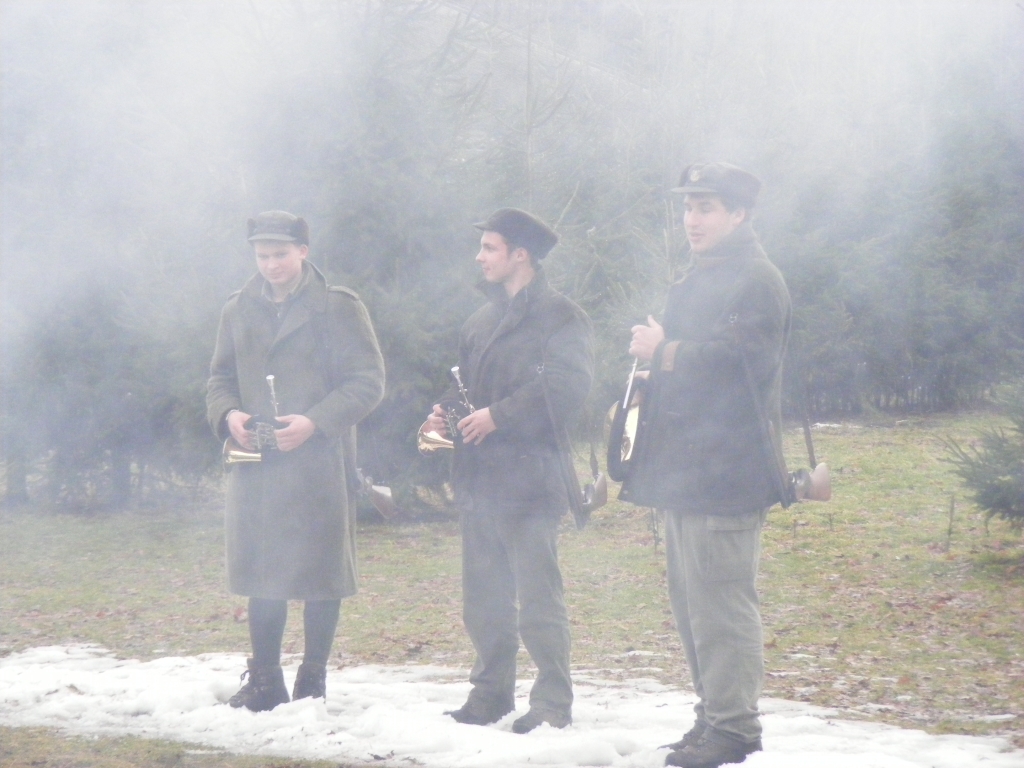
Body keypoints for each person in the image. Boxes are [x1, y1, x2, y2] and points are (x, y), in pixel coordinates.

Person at [620, 164, 792, 768]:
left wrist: (665, 351)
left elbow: (745, 364)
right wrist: (655, 370)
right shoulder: (700, 277)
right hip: (688, 470)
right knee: (692, 606)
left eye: (706, 207)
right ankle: (712, 716)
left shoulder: (757, 280)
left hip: (729, 472)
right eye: (688, 207)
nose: (691, 219)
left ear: (739, 214)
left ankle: (734, 729)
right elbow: (699, 370)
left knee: (722, 606)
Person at [423, 208, 594, 734]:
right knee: (484, 599)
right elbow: (464, 386)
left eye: (489, 248)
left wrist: (499, 415)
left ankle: (552, 702)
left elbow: (569, 387)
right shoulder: (480, 321)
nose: (479, 257)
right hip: (478, 480)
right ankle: (490, 693)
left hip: (532, 480)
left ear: (521, 254)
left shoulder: (562, 317)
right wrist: (442, 413)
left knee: (538, 599)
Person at [207, 210, 385, 712]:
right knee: (261, 571)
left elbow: (368, 382)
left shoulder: (338, 306)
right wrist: (228, 415)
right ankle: (265, 682)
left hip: (318, 463)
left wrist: (315, 421)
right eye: (262, 256)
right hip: (257, 464)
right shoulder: (237, 308)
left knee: (321, 574)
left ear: (303, 252)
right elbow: (219, 378)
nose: (271, 265)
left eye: (281, 254)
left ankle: (312, 682)